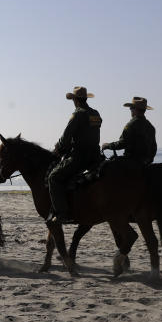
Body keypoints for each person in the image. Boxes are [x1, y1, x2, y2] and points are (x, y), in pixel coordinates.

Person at [47, 86, 103, 224]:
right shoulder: (95, 113)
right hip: (95, 157)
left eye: (73, 100)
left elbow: (66, 137)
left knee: (53, 177)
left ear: (76, 100)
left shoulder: (78, 114)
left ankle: (62, 213)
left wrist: (58, 148)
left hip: (80, 157)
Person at [102, 97, 157, 165]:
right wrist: (147, 161)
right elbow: (154, 148)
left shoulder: (131, 125)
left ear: (135, 109)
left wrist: (107, 145)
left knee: (104, 166)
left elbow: (122, 143)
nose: (130, 110)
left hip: (131, 162)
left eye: (131, 108)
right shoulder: (151, 127)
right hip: (146, 163)